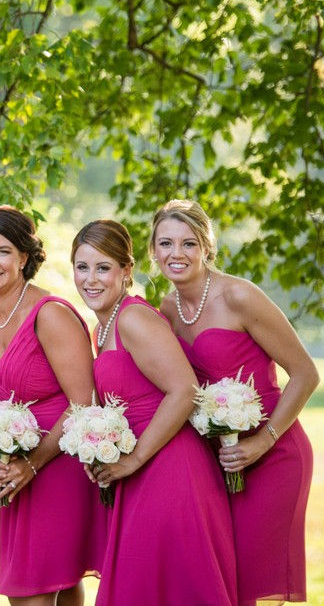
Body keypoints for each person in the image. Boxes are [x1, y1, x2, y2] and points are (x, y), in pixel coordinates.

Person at [151, 199, 316, 605]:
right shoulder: (165, 311)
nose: (177, 254)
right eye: (166, 244)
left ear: (206, 246)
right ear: (153, 251)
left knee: (253, 581)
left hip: (274, 454)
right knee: (222, 580)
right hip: (216, 464)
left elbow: (306, 373)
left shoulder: (239, 296)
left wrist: (263, 441)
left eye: (188, 243)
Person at [71, 219, 237, 606]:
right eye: (82, 267)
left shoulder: (133, 318)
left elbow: (185, 390)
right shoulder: (103, 328)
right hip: (137, 471)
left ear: (126, 271)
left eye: (103, 268)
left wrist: (136, 458)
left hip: (171, 472)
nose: (91, 279)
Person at [0, 206, 104, 606]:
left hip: (56, 467)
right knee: (47, 591)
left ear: (24, 258)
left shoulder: (51, 314)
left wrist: (32, 463)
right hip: (15, 473)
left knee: (35, 593)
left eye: (3, 251)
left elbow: (83, 401)